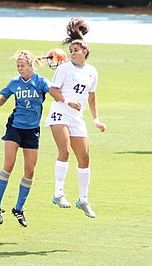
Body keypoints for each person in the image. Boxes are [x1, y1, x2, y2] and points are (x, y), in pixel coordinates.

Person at [44, 17, 106, 218]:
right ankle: (58, 194)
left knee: (85, 158)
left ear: (85, 52)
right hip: (60, 113)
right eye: (70, 51)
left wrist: (96, 119)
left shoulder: (92, 72)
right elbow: (53, 91)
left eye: (76, 50)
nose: (72, 53)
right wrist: (67, 101)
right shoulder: (64, 68)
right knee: (65, 150)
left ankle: (83, 200)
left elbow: (92, 97)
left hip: (77, 117)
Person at [0, 50, 51, 227]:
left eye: (22, 66)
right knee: (9, 164)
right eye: (18, 66)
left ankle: (19, 209)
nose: (19, 69)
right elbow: (4, 97)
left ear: (31, 65)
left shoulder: (40, 82)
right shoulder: (14, 82)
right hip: (15, 127)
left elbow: (54, 91)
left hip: (32, 131)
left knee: (30, 171)